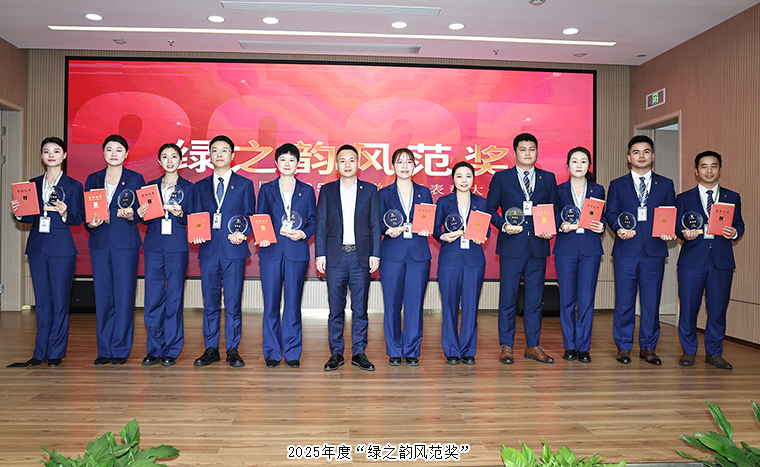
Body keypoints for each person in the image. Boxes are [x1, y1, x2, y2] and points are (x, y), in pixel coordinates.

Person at [7, 137, 84, 368]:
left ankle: (55, 352)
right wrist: (18, 212)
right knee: (41, 303)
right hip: (37, 247)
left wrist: (65, 213)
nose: (51, 155)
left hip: (62, 248)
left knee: (60, 302)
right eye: (47, 151)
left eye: (56, 151)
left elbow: (78, 218)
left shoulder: (73, 185)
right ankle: (39, 352)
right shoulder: (32, 184)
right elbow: (29, 217)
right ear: (41, 156)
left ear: (64, 155)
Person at [487, 133, 559, 365]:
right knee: (508, 298)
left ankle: (532, 345)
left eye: (532, 149)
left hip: (538, 247)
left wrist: (551, 229)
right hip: (511, 247)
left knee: (535, 299)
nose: (528, 153)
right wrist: (503, 225)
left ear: (537, 152)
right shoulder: (501, 178)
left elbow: (555, 209)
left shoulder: (548, 178)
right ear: (515, 152)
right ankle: (506, 345)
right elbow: (490, 209)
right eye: (523, 149)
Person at [606, 135, 675, 365]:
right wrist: (618, 228)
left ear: (652, 156)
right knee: (624, 302)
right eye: (636, 152)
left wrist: (669, 230)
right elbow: (611, 213)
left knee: (651, 303)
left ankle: (648, 347)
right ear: (629, 157)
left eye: (646, 151)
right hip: (626, 250)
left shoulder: (665, 184)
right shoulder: (617, 184)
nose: (641, 156)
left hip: (654, 251)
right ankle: (624, 347)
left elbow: (670, 213)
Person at [315, 144, 382, 371]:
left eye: (352, 160)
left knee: (360, 309)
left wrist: (375, 254)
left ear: (358, 164)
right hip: (335, 258)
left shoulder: (370, 190)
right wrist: (320, 254)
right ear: (336, 164)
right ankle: (336, 352)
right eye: (342, 160)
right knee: (335, 308)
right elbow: (320, 224)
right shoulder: (327, 190)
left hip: (360, 258)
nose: (347, 164)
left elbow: (375, 224)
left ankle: (359, 352)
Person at [191, 135, 256, 367]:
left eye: (224, 150)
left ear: (232, 155)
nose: (219, 154)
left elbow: (249, 216)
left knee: (233, 303)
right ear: (209, 155)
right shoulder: (199, 186)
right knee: (209, 304)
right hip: (208, 251)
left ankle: (232, 350)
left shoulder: (245, 184)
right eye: (215, 151)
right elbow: (196, 216)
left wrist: (243, 233)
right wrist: (196, 232)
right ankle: (211, 349)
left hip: (234, 251)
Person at [675, 151, 744, 369]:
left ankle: (714, 353)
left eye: (713, 166)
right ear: (696, 171)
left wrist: (735, 232)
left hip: (721, 262)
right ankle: (689, 351)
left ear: (720, 170)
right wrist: (684, 233)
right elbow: (676, 226)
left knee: (718, 310)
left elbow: (739, 224)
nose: (709, 170)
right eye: (704, 166)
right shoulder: (683, 198)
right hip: (691, 262)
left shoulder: (732, 197)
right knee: (689, 308)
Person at [85, 134, 146, 366]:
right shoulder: (93, 178)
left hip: (126, 243)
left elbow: (143, 212)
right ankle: (104, 348)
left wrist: (132, 216)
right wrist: (90, 224)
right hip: (100, 242)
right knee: (103, 296)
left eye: (119, 150)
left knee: (124, 296)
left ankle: (120, 348)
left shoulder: (136, 178)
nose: (113, 154)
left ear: (126, 154)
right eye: (109, 149)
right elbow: (86, 212)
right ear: (103, 153)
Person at [137, 143, 198, 366]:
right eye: (165, 157)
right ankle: (154, 348)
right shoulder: (149, 188)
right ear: (159, 161)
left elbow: (195, 219)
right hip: (153, 246)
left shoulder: (189, 187)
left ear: (180, 160)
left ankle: (172, 348)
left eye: (174, 156)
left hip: (177, 246)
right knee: (152, 298)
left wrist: (182, 214)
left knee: (174, 297)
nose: (169, 161)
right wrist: (140, 214)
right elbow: (144, 219)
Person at [256, 143, 316, 369]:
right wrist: (262, 236)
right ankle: (272, 351)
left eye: (292, 160)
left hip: (296, 252)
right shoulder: (266, 189)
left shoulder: (307, 190)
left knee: (292, 304)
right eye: (283, 159)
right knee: (271, 304)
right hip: (271, 252)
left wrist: (303, 233)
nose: (287, 163)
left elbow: (313, 220)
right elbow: (260, 217)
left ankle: (292, 351)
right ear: (276, 163)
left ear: (298, 164)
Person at [378, 148, 433, 367]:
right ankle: (394, 350)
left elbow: (428, 218)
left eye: (409, 162)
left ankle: (411, 350)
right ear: (393, 166)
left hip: (418, 254)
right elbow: (377, 222)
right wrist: (386, 230)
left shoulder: (424, 192)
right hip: (392, 253)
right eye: (400, 162)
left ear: (414, 166)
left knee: (414, 304)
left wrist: (427, 228)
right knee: (391, 304)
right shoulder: (384, 193)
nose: (404, 166)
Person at [433, 161, 489, 365]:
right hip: (450, 259)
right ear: (453, 179)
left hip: (474, 260)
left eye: (468, 176)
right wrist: (442, 236)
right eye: (459, 176)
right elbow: (435, 227)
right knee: (449, 306)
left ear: (473, 179)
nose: (464, 180)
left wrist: (482, 235)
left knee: (471, 306)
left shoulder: (482, 202)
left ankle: (467, 350)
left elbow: (486, 228)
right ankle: (451, 350)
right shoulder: (443, 201)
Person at [553, 147, 605, 363]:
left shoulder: (598, 190)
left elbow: (603, 216)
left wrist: (602, 226)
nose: (579, 165)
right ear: (567, 166)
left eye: (583, 161)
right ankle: (569, 345)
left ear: (588, 166)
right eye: (574, 161)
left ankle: (583, 346)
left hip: (590, 248)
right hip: (566, 249)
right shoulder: (558, 190)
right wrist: (560, 225)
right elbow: (552, 215)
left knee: (586, 299)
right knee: (567, 299)